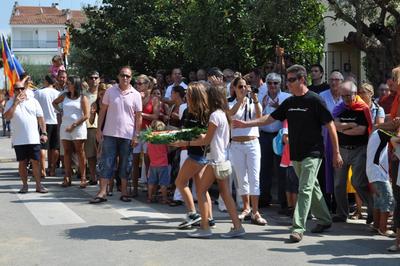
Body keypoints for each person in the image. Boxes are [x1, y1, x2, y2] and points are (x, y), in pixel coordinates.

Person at [233, 64, 343, 243]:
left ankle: (298, 228)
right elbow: (270, 118)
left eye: (291, 80)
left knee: (304, 188)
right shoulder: (290, 102)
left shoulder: (315, 100)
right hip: (295, 153)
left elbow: (330, 125)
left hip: (313, 152)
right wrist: (247, 124)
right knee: (312, 187)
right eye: (287, 80)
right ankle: (324, 219)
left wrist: (336, 152)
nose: (288, 84)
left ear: (302, 80)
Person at [173, 85, 246, 238]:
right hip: (223, 158)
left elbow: (206, 140)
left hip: (215, 160)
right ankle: (237, 227)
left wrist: (185, 144)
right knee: (226, 194)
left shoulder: (214, 116)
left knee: (201, 191)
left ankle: (205, 228)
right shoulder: (224, 114)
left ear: (212, 98)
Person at [90, 66, 142, 203]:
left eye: (128, 76)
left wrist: (137, 134)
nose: (125, 78)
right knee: (106, 163)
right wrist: (99, 129)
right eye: (123, 75)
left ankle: (124, 192)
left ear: (131, 78)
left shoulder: (136, 94)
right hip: (110, 133)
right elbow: (102, 111)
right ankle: (102, 192)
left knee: (126, 164)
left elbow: (138, 117)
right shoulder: (110, 91)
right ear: (118, 76)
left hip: (127, 135)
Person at [173, 82, 214, 229]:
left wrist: (183, 143)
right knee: (201, 187)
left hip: (199, 154)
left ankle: (193, 214)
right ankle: (208, 218)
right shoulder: (187, 111)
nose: (186, 96)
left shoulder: (207, 114)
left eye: (189, 94)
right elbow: (184, 131)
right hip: (195, 153)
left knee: (180, 182)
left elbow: (203, 138)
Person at [332, 81, 374, 223]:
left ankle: (373, 211)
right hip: (342, 150)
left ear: (355, 94)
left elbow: (361, 130)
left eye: (348, 96)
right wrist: (350, 125)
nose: (346, 99)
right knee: (338, 184)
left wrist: (342, 128)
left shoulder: (363, 109)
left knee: (358, 183)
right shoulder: (340, 108)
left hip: (359, 151)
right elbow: (334, 126)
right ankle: (342, 213)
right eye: (343, 96)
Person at [228, 77, 267, 225]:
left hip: (252, 143)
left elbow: (259, 116)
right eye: (240, 87)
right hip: (237, 144)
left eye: (245, 86)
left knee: (254, 177)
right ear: (234, 88)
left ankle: (256, 211)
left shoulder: (253, 102)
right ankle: (246, 208)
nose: (243, 89)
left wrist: (255, 99)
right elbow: (230, 115)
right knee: (241, 178)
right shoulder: (230, 102)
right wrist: (241, 100)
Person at [4, 82, 48, 193]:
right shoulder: (10, 102)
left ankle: (38, 185)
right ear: (14, 91)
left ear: (25, 89)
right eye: (17, 89)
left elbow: (41, 118)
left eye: (22, 89)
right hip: (19, 140)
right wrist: (15, 104)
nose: (20, 91)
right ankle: (24, 185)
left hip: (33, 138)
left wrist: (44, 133)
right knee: (22, 162)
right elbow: (7, 117)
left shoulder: (33, 101)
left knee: (36, 162)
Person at [376, 66, 400, 252]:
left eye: (393, 77)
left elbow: (395, 122)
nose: (390, 81)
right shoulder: (395, 97)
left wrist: (381, 128)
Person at [258, 72, 291, 208]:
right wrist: (263, 106)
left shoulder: (286, 98)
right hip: (264, 135)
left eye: (275, 83)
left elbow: (290, 116)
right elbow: (256, 116)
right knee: (264, 168)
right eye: (270, 83)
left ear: (280, 84)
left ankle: (283, 201)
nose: (272, 86)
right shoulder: (260, 98)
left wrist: (279, 109)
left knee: (281, 169)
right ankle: (264, 198)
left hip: (280, 136)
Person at [53, 76, 90, 188]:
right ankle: (67, 177)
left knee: (80, 152)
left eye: (69, 83)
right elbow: (54, 103)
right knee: (67, 152)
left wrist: (74, 125)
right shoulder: (64, 96)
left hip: (77, 127)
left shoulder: (83, 98)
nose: (67, 85)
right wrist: (61, 111)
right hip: (65, 126)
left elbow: (87, 115)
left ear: (75, 84)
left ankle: (83, 177)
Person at [132, 74, 160, 196]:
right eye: (136, 83)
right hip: (135, 131)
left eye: (140, 83)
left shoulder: (154, 99)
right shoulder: (133, 96)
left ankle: (151, 190)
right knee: (134, 160)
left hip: (148, 132)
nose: (137, 85)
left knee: (149, 161)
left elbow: (156, 116)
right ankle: (134, 189)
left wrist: (141, 114)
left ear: (147, 84)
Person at [366, 130, 395, 237]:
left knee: (378, 201)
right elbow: (397, 139)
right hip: (378, 172)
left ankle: (376, 226)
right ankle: (383, 228)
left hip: (374, 171)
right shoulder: (381, 132)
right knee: (388, 200)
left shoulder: (376, 133)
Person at [34, 75, 60, 177]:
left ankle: (43, 170)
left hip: (43, 122)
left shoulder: (39, 93)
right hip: (56, 122)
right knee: (55, 147)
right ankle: (52, 169)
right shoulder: (58, 93)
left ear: (45, 81)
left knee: (43, 147)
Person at [146, 120, 170, 204]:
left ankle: (149, 198)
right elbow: (167, 150)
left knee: (151, 182)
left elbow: (148, 151)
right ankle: (164, 198)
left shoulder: (149, 140)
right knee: (163, 183)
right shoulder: (164, 140)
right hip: (163, 164)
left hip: (152, 164)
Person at [84, 71, 100, 185]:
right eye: (91, 77)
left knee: (104, 154)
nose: (94, 79)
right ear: (88, 80)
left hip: (104, 127)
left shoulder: (104, 93)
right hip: (89, 127)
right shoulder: (84, 95)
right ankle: (93, 176)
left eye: (96, 77)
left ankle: (106, 178)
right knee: (91, 154)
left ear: (99, 79)